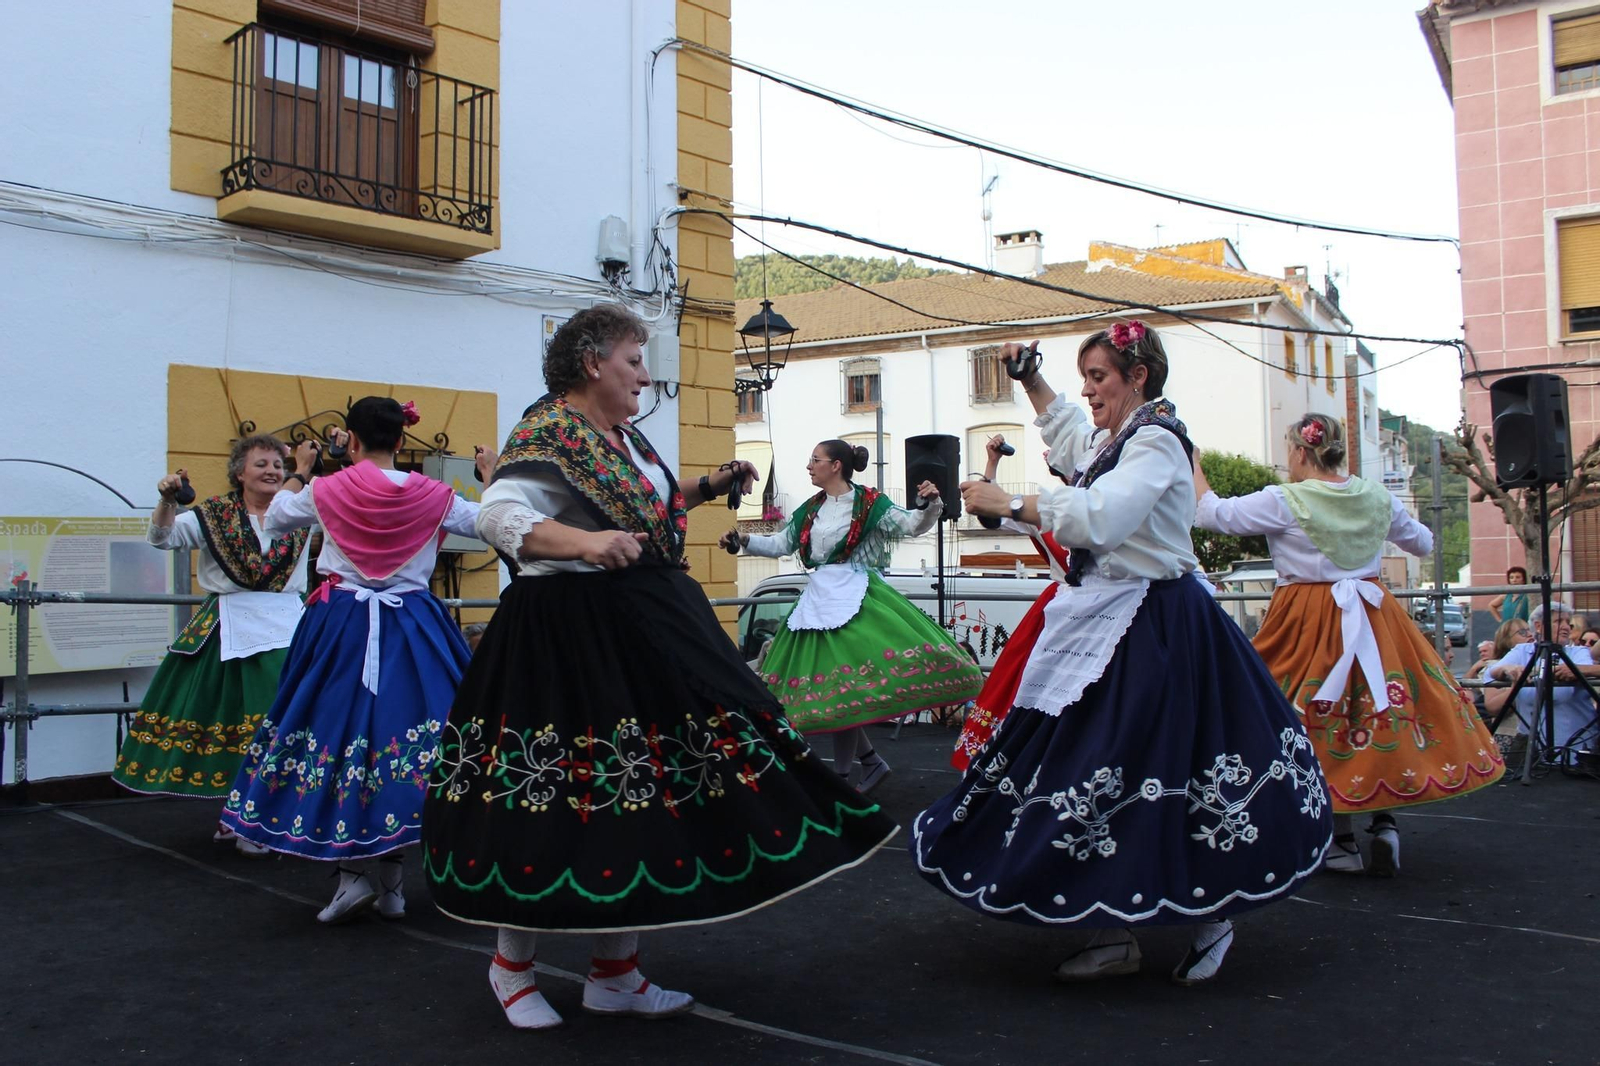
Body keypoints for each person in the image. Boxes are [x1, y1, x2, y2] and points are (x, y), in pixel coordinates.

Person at [421, 304, 898, 1030]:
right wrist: (583, 547)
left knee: (643, 800)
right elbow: (499, 516)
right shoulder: (547, 431)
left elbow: (642, 515)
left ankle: (616, 974)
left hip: (641, 630)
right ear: (591, 364)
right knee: (547, 798)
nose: (646, 374)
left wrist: (705, 488)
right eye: (634, 360)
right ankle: (511, 966)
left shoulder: (623, 441)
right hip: (566, 640)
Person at [913, 321, 1332, 987]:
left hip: (1161, 629)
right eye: (1085, 378)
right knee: (1094, 770)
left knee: (1174, 771)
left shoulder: (1159, 441)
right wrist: (1031, 379)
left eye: (1100, 377)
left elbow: (1104, 514)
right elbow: (1075, 442)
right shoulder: (1121, 439)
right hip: (1109, 621)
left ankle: (1210, 917)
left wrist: (1013, 501)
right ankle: (1112, 928)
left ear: (1138, 376)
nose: (1089, 390)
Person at [1194, 413, 1504, 879]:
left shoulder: (1284, 499)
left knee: (1311, 717)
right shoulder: (1376, 495)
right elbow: (1422, 543)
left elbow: (1211, 514)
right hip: (1376, 616)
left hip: (1306, 618)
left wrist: (1194, 464)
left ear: (1300, 453)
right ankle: (1385, 823)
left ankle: (1340, 841)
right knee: (1378, 712)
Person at [221, 398, 490, 925]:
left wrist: (302, 472)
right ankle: (390, 883)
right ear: (402, 437)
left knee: (338, 734)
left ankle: (356, 876)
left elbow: (274, 518)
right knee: (414, 732)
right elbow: (487, 524)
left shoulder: (325, 489)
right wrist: (493, 476)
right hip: (414, 624)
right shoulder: (435, 495)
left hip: (341, 621)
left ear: (351, 436)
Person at [720, 440, 984, 791]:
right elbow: (783, 543)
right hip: (819, 604)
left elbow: (910, 525)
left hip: (860, 600)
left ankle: (843, 779)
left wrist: (931, 505)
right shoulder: (811, 509)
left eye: (816, 460)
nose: (809, 466)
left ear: (837, 466)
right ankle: (869, 764)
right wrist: (744, 542)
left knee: (844, 694)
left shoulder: (871, 504)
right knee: (839, 695)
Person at [114, 435, 316, 853]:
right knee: (241, 724)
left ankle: (278, 812)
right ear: (239, 472)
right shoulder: (213, 516)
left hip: (290, 625)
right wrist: (169, 500)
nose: (272, 472)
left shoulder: (300, 511)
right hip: (231, 629)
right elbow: (162, 538)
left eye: (278, 465)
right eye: (261, 464)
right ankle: (239, 816)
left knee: (290, 724)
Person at [950, 432, 1070, 771]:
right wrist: (992, 463)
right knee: (1026, 682)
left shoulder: (1114, 501)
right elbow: (990, 514)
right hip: (1061, 610)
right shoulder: (1044, 506)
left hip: (1109, 609)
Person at [1487, 601, 1600, 756]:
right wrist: (1507, 668)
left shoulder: (1578, 652)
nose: (1566, 627)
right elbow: (1493, 672)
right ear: (1539, 626)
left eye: (1568, 623)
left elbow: (1573, 678)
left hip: (1573, 748)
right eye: (1559, 621)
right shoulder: (1522, 651)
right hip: (1532, 751)